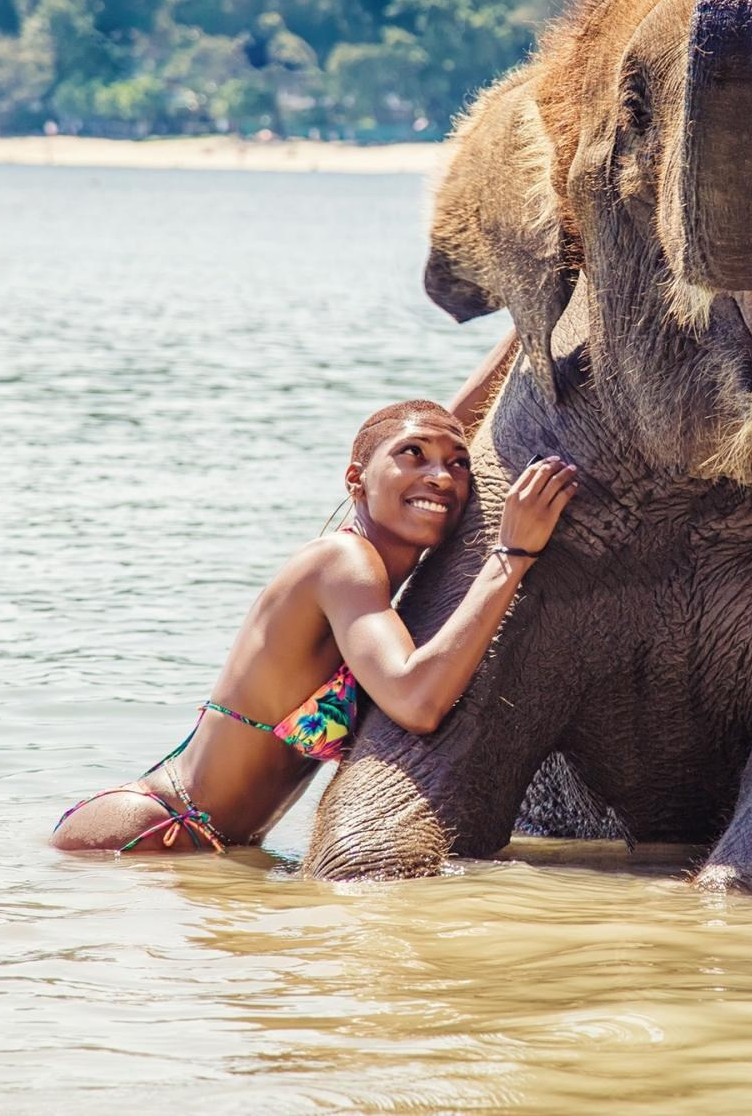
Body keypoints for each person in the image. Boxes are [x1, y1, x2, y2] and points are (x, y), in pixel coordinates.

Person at [53, 333, 576, 854]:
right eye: (413, 455)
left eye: (458, 462)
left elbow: (437, 423)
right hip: (148, 833)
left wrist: (522, 333)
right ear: (356, 480)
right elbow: (417, 702)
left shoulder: (366, 562)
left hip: (215, 848)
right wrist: (512, 554)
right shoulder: (342, 562)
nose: (440, 476)